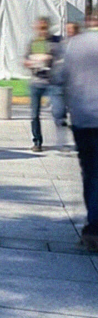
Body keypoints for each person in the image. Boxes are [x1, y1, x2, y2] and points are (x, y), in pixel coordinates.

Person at [61, 15, 98, 252]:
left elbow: (63, 78)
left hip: (83, 117)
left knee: (91, 172)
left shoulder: (75, 44)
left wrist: (62, 111)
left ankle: (93, 227)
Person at [24, 17, 62, 152]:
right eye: (40, 28)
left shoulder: (55, 42)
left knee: (58, 112)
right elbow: (25, 59)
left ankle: (62, 141)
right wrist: (31, 63)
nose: (42, 31)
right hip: (36, 81)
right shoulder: (33, 43)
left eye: (44, 28)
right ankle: (37, 141)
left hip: (52, 82)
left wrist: (51, 59)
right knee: (34, 114)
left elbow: (62, 58)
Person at [52, 22, 79, 150]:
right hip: (60, 84)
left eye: (72, 29)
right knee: (58, 114)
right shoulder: (62, 45)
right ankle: (62, 141)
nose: (69, 32)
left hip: (75, 86)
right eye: (68, 29)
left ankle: (79, 140)